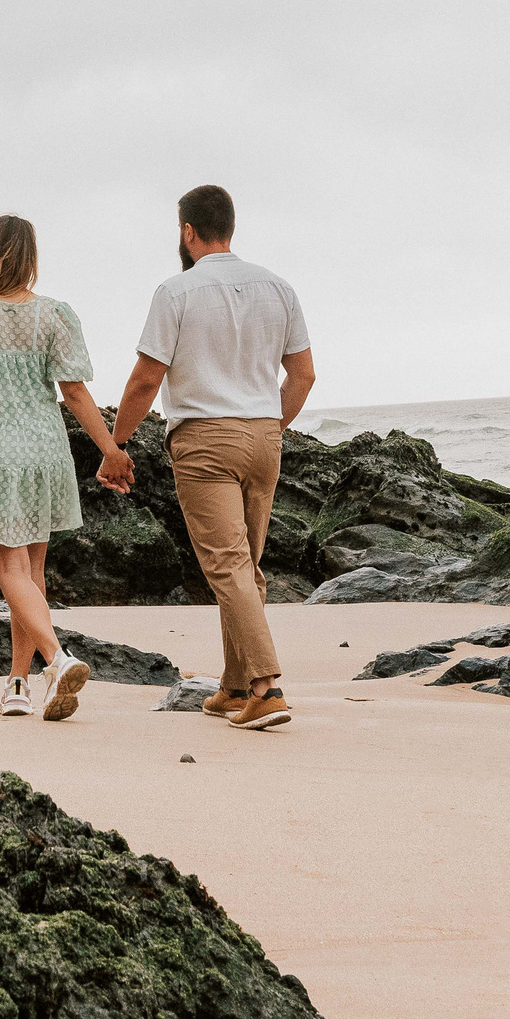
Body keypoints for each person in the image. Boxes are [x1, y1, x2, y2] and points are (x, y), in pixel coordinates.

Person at [105, 184, 314, 730]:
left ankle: (267, 689)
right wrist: (269, 423)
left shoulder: (176, 292)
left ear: (187, 231)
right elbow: (304, 374)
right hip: (265, 437)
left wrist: (117, 444)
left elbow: (147, 377)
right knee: (246, 568)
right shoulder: (279, 287)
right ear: (231, 227)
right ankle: (234, 686)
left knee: (227, 565)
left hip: (204, 439)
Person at [0, 214, 135, 722]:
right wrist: (111, 449)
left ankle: (56, 659)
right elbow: (74, 391)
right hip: (43, 454)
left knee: (8, 569)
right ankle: (17, 685)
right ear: (30, 258)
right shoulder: (52, 315)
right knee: (30, 573)